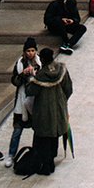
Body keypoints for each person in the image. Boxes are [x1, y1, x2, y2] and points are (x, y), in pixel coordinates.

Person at [26, 47, 72, 175]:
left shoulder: (40, 76)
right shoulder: (61, 69)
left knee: (44, 137)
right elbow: (68, 88)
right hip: (59, 108)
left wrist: (30, 78)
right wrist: (62, 101)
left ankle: (47, 166)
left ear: (42, 59)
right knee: (54, 134)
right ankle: (52, 159)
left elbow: (30, 91)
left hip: (44, 111)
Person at [7, 40, 39, 161]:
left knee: (38, 130)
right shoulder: (19, 63)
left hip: (35, 101)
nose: (30, 53)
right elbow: (15, 81)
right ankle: (11, 154)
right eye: (28, 51)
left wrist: (35, 74)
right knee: (17, 131)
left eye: (32, 50)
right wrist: (23, 75)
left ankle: (36, 154)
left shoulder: (40, 63)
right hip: (21, 101)